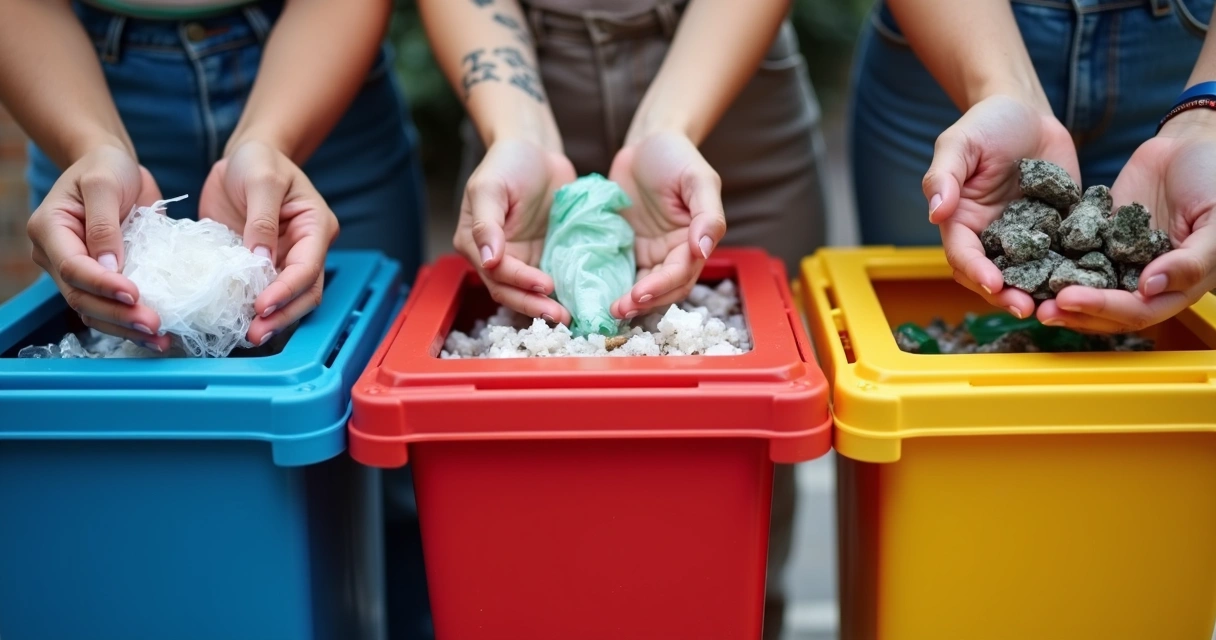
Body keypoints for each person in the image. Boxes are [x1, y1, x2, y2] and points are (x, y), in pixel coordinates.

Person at [0, 1, 433, 638]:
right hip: (75, 83)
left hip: (321, 80)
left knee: (385, 484)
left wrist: (269, 141)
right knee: (113, 485)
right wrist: (92, 146)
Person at [417, 0, 828, 637]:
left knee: (740, 492)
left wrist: (668, 126)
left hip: (733, 82)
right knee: (524, 513)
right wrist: (518, 133)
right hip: (514, 99)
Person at [849, 0, 1216, 333]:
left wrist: (1204, 119)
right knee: (917, 303)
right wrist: (1002, 90)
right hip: (953, 33)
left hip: (1187, 48)